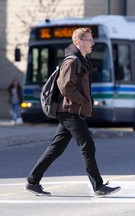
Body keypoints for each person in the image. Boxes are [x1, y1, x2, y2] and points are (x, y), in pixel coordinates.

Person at [25, 28, 120, 197]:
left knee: (56, 148)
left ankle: (33, 180)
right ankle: (98, 186)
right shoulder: (72, 62)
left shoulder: (81, 60)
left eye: (92, 40)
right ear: (79, 42)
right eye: (89, 40)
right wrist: (83, 101)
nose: (93, 43)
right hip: (69, 110)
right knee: (87, 145)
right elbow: (65, 86)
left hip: (70, 110)